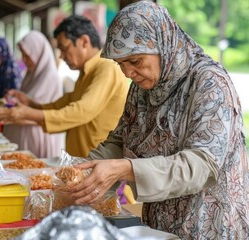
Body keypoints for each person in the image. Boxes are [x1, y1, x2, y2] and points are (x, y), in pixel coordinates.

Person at [69, 2, 249, 239]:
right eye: (120, 64)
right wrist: (79, 172)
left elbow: (200, 166)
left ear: (162, 44)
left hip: (208, 225)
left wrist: (126, 168)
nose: (127, 73)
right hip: (158, 226)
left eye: (135, 61)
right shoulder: (141, 88)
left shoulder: (209, 84)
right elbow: (119, 142)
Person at [0, 16, 129, 158]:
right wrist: (31, 104)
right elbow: (63, 104)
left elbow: (81, 111)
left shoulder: (107, 68)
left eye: (64, 48)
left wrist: (26, 113)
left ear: (84, 42)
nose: (61, 56)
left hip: (99, 162)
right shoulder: (86, 72)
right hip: (83, 159)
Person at [2, 30, 64, 158]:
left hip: (40, 137)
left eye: (27, 55)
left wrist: (14, 111)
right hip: (26, 136)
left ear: (38, 52)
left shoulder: (50, 77)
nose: (24, 60)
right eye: (23, 55)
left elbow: (47, 113)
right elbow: (29, 102)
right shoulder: (31, 75)